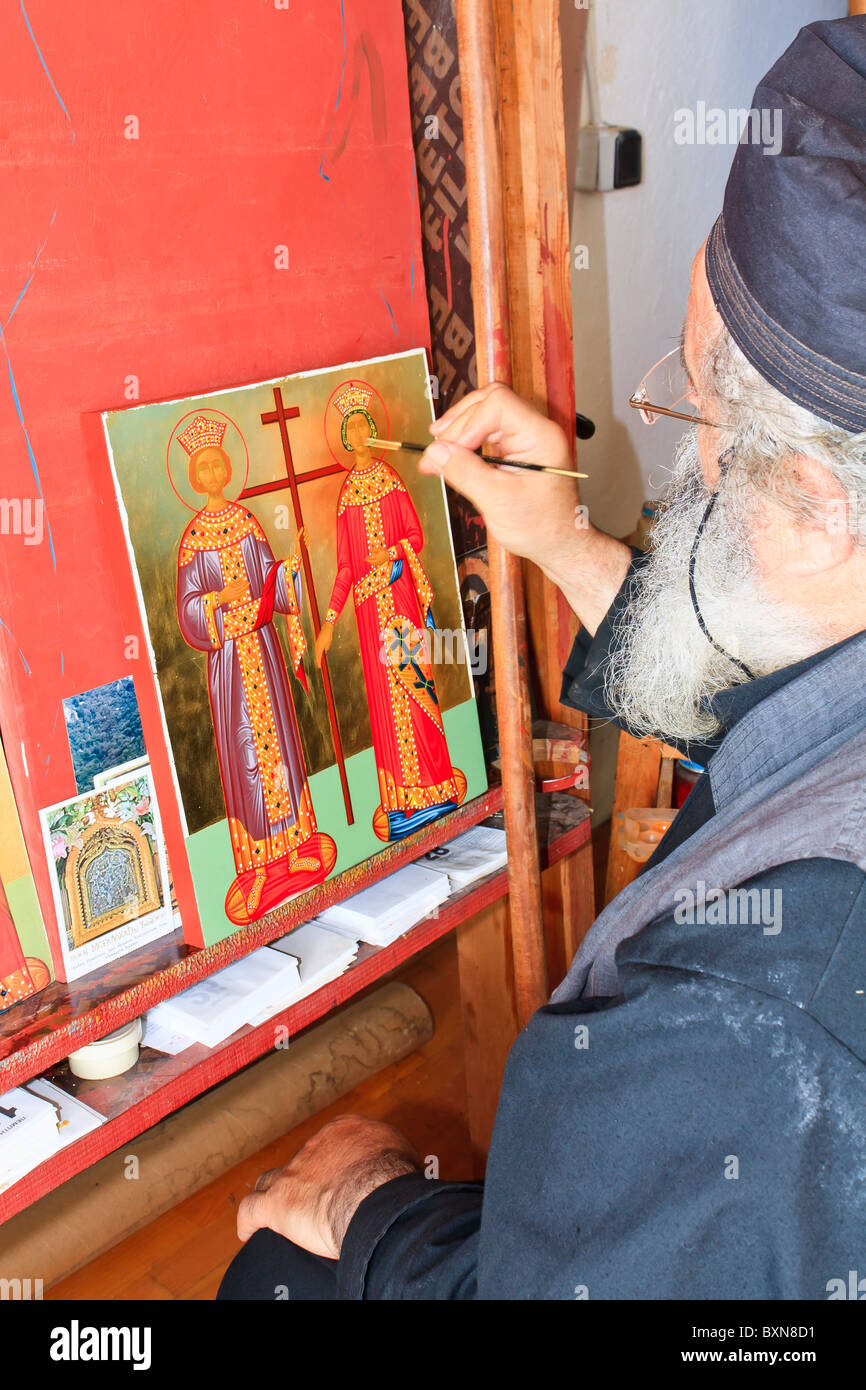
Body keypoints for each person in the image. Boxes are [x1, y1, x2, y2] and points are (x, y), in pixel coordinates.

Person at [217, 17, 866, 1298]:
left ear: (818, 495)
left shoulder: (752, 1020)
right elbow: (794, 726)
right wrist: (562, 541)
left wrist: (368, 1207)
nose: (671, 453)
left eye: (687, 406)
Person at [176, 417, 336, 926]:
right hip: (229, 661)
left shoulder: (246, 522)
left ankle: (296, 847)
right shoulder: (192, 540)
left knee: (280, 747)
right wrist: (215, 601)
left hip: (263, 650)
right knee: (244, 752)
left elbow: (271, 580)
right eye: (203, 465)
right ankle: (258, 865)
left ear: (227, 467)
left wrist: (290, 566)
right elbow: (188, 611)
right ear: (194, 477)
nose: (212, 470)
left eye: (217, 461)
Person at [315, 386, 465, 842]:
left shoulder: (390, 480)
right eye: (351, 427)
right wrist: (327, 622)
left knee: (416, 688)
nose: (358, 432)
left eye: (364, 424)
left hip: (399, 599)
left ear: (373, 431)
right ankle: (402, 805)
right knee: (386, 705)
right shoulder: (345, 498)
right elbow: (344, 566)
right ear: (345, 437)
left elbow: (415, 537)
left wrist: (392, 557)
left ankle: (437, 789)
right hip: (367, 615)